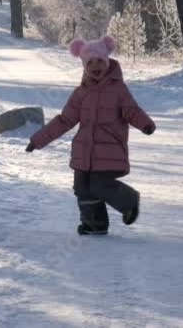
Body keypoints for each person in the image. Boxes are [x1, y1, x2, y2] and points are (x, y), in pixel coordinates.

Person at [26, 36, 156, 235]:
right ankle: (94, 223)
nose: (96, 66)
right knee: (82, 187)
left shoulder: (118, 89)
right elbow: (64, 120)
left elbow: (131, 110)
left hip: (109, 149)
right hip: (83, 151)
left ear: (107, 61)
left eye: (100, 61)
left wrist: (145, 124)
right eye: (90, 63)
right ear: (84, 66)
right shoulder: (81, 93)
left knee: (100, 185)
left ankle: (129, 201)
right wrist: (37, 140)